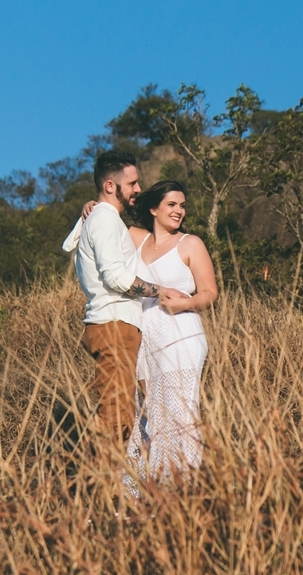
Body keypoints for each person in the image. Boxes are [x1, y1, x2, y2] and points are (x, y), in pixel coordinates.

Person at [80, 180, 218, 486]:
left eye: (182, 205)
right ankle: (142, 494)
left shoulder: (190, 243)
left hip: (181, 334)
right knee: (147, 414)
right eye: (171, 204)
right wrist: (89, 207)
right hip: (146, 337)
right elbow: (103, 223)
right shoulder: (135, 238)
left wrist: (183, 303)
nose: (179, 211)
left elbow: (210, 293)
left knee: (180, 413)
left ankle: (180, 489)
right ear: (153, 209)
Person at [63, 151, 189, 466]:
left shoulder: (104, 219)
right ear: (110, 185)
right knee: (116, 417)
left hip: (116, 327)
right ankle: (93, 496)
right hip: (113, 326)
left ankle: (102, 493)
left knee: (119, 415)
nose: (137, 188)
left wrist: (87, 213)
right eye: (132, 183)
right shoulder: (104, 219)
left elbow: (70, 244)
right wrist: (160, 290)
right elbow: (116, 277)